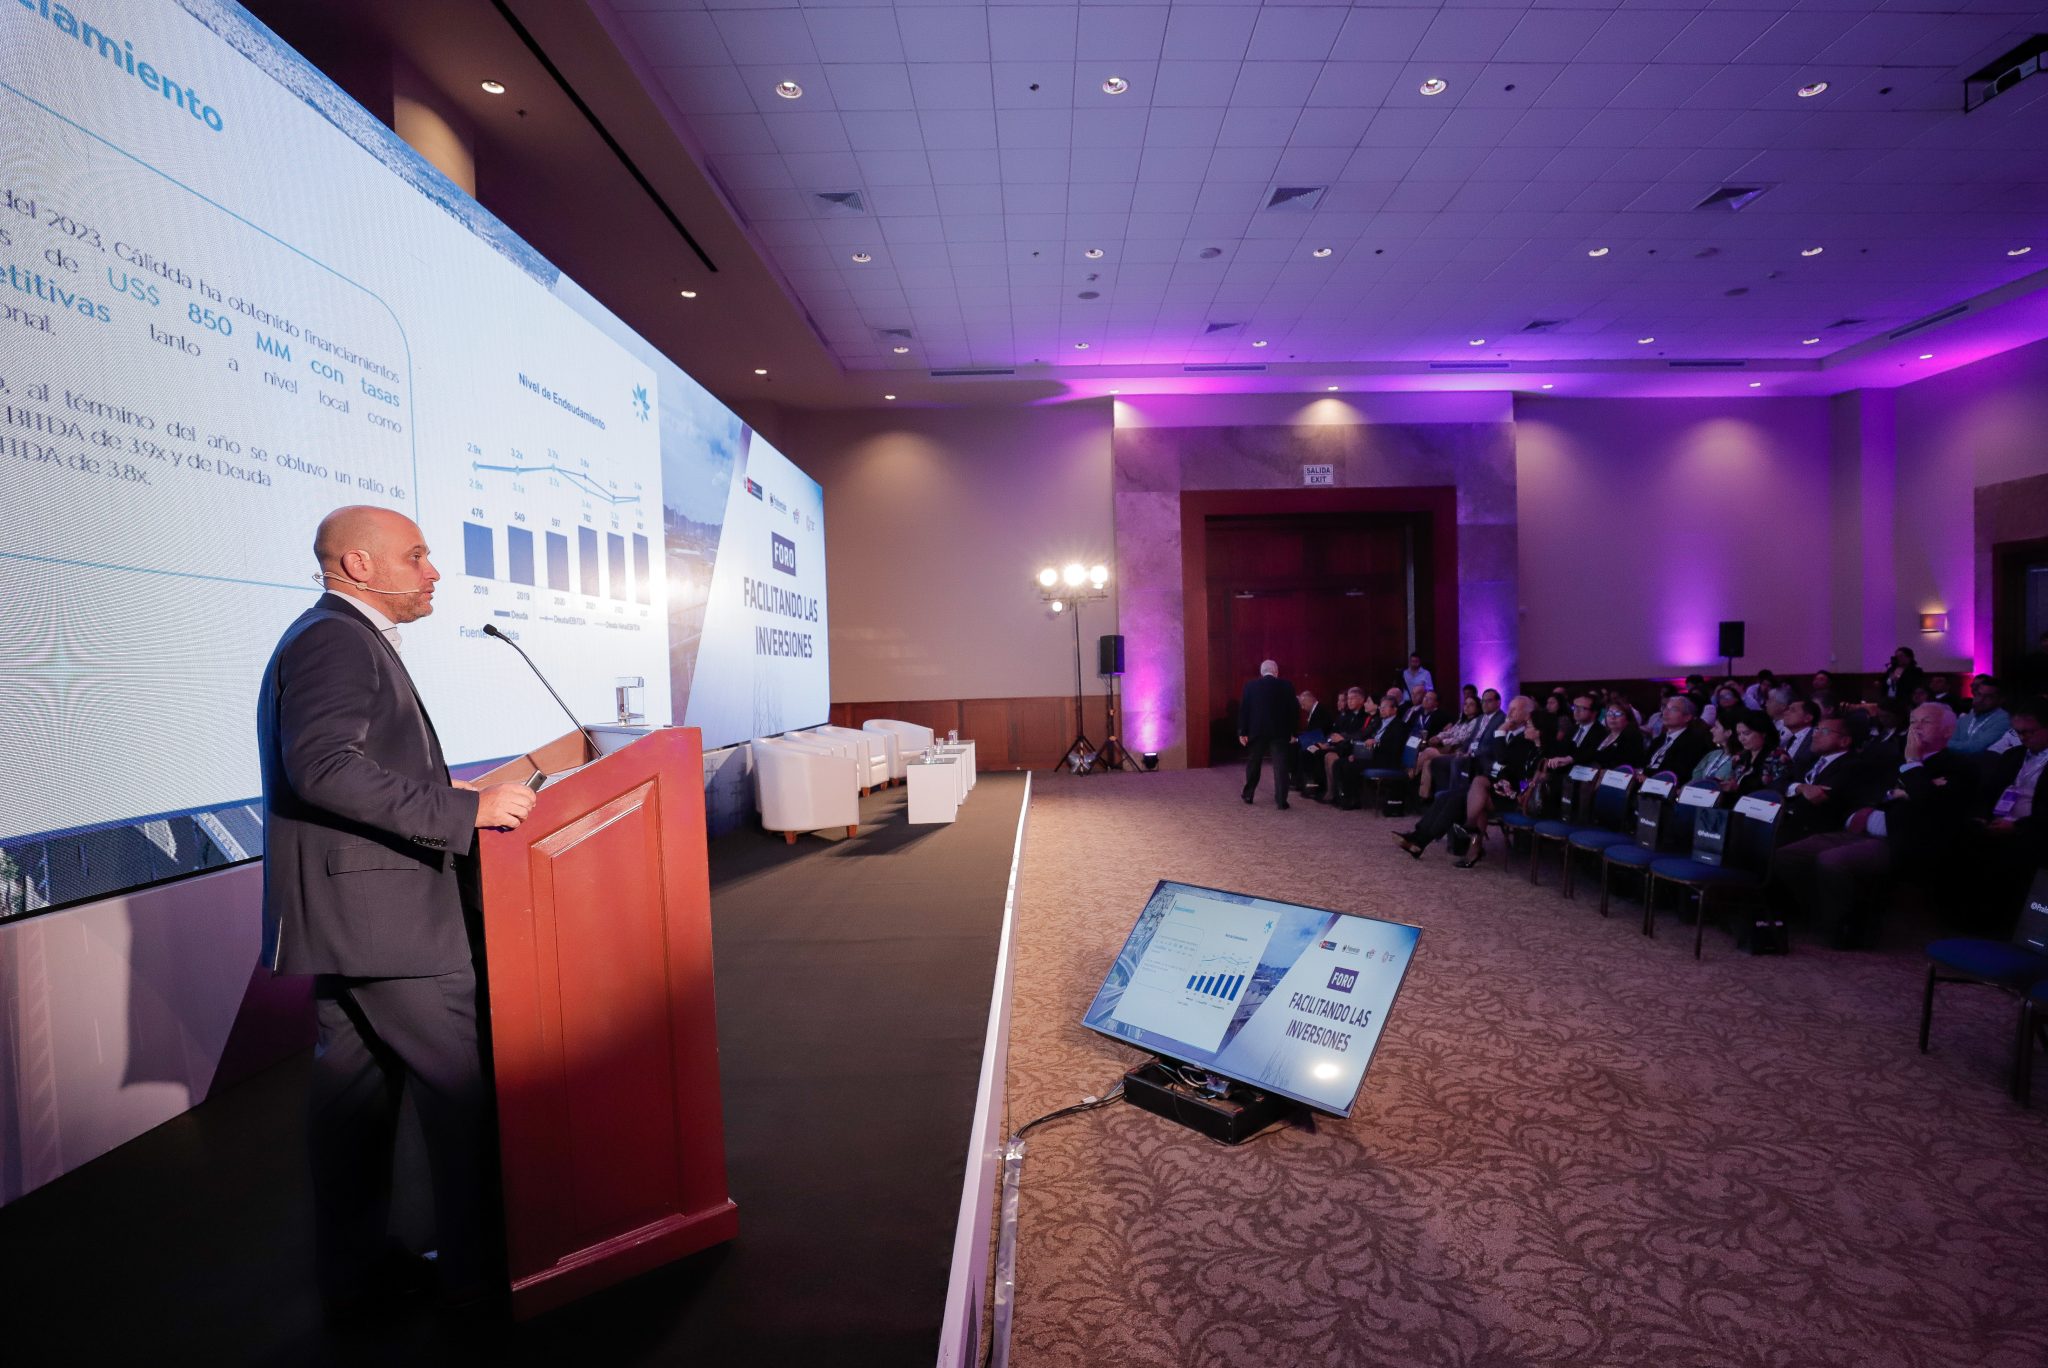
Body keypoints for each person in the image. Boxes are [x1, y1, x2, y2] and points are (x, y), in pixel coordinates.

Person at [258, 506, 537, 1319]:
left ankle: (357, 1281)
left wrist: (448, 790)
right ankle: (482, 1282)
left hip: (355, 921)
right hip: (393, 923)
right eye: (416, 556)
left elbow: (348, 765)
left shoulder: (330, 634)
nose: (434, 571)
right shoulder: (337, 639)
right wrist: (466, 812)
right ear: (359, 565)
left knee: (352, 1112)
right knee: (463, 1106)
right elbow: (322, 767)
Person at [1771, 703, 1977, 947]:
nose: (1916, 727)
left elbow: (1926, 801)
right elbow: (1873, 792)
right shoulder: (1890, 757)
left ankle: (1847, 932)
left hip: (1902, 839)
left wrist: (1913, 764)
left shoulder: (1958, 765)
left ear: (1947, 731)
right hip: (1864, 826)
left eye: (1926, 722)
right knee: (1787, 856)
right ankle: (1819, 915)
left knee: (1832, 860)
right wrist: (1901, 792)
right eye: (1913, 721)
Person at [1394, 695, 1543, 867]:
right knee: (1447, 796)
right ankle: (1420, 837)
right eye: (1509, 708)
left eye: (1514, 709)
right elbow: (1491, 758)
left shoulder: (1527, 738)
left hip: (1508, 792)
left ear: (1527, 715)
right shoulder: (1510, 733)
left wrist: (1500, 732)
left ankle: (1424, 840)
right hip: (1491, 785)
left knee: (1458, 798)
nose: (1509, 713)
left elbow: (1503, 760)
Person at [1239, 659, 1297, 809]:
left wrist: (1242, 732)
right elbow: (1293, 710)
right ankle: (1281, 800)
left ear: (1261, 672)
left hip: (1257, 731)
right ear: (1276, 671)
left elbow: (1245, 710)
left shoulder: (1250, 686)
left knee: (1254, 763)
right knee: (1280, 766)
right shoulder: (1287, 685)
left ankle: (1248, 794)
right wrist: (1293, 732)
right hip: (1280, 732)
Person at [1642, 695, 1713, 777]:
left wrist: (1648, 778)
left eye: (1674, 709)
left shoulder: (1693, 742)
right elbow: (1644, 764)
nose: (1665, 713)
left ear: (1687, 717)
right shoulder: (1658, 740)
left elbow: (1679, 773)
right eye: (1665, 708)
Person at [1952, 675, 2010, 755]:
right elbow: (1948, 739)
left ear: (2001, 700)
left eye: (1988, 697)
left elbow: (1977, 747)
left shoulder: (2004, 720)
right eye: (1979, 694)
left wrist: (1947, 745)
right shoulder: (1967, 717)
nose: (1980, 700)